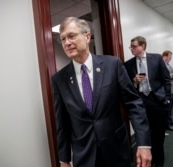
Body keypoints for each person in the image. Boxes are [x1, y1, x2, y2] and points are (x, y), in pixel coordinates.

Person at [51, 17, 152, 167]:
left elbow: (133, 104)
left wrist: (143, 144)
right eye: (63, 39)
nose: (66, 43)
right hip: (84, 155)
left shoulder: (112, 65)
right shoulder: (59, 79)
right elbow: (62, 123)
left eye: (71, 36)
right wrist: (64, 159)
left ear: (86, 36)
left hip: (116, 150)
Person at [124, 36, 171, 167]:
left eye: (134, 46)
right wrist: (134, 81)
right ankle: (148, 160)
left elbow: (166, 80)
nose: (131, 49)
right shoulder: (128, 64)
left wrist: (166, 98)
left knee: (159, 134)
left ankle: (159, 161)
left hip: (157, 101)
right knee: (145, 134)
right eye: (131, 47)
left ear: (143, 46)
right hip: (140, 103)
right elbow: (126, 87)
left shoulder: (156, 58)